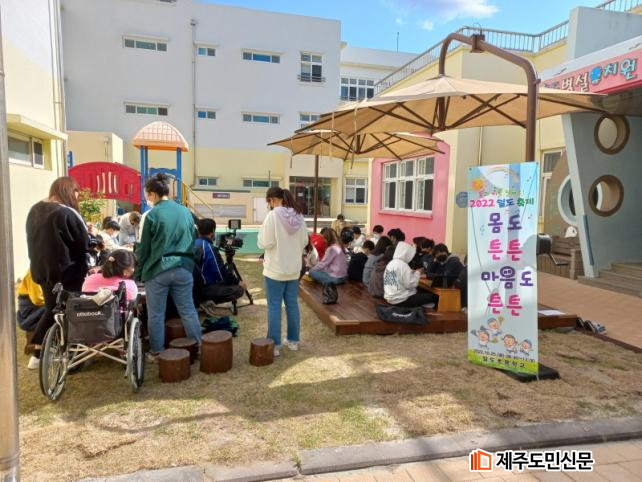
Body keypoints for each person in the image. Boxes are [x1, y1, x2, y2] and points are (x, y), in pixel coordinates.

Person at [135, 173, 202, 362]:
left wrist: (138, 273)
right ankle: (198, 347)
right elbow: (193, 238)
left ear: (153, 194)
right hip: (183, 267)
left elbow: (143, 249)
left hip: (158, 270)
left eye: (146, 194)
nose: (146, 198)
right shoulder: (185, 212)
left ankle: (157, 352)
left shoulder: (150, 215)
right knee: (188, 310)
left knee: (156, 314)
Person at [26, 176, 89, 369]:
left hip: (42, 270)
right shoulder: (66, 212)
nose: (77, 196)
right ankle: (60, 354)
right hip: (68, 271)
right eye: (77, 192)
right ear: (70, 192)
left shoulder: (35, 210)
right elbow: (83, 243)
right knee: (67, 311)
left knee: (53, 308)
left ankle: (39, 352)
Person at [258, 186, 308, 356]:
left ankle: (275, 344)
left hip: (275, 269)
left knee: (274, 306)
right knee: (292, 304)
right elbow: (304, 241)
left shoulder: (272, 216)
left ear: (272, 200)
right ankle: (293, 341)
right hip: (293, 269)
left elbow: (266, 242)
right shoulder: (299, 216)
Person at [193, 218, 245, 305]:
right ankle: (204, 301)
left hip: (192, 286)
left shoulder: (193, 243)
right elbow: (221, 272)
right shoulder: (209, 248)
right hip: (203, 289)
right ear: (213, 231)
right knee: (239, 289)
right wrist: (238, 282)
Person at [384, 241, 436, 308]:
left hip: (390, 298)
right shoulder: (403, 265)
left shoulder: (391, 263)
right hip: (401, 300)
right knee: (432, 296)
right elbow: (411, 285)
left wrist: (411, 272)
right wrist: (418, 273)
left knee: (421, 293)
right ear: (406, 253)